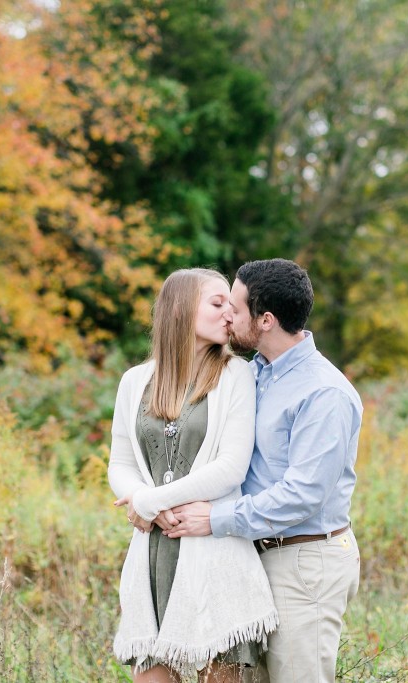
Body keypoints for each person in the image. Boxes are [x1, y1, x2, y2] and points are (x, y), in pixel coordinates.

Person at [164, 259, 363, 683]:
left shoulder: (323, 393)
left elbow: (302, 494)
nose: (226, 315)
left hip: (304, 562)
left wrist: (214, 520)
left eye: (234, 307)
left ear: (266, 320)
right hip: (250, 556)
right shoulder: (251, 374)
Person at [107, 268, 278, 683]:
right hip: (152, 555)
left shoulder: (236, 374)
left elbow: (230, 467)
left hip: (213, 553)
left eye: (232, 307)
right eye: (217, 304)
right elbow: (121, 464)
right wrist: (142, 499)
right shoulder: (135, 381)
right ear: (181, 310)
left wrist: (151, 501)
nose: (229, 315)